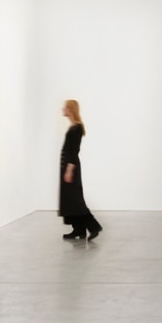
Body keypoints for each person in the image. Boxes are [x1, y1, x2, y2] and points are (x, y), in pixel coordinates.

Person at [58, 100, 102, 241]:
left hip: (71, 167)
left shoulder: (77, 128)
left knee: (76, 200)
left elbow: (74, 151)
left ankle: (93, 226)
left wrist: (69, 170)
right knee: (69, 199)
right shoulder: (73, 127)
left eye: (65, 107)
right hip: (67, 166)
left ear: (70, 109)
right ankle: (78, 230)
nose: (62, 109)